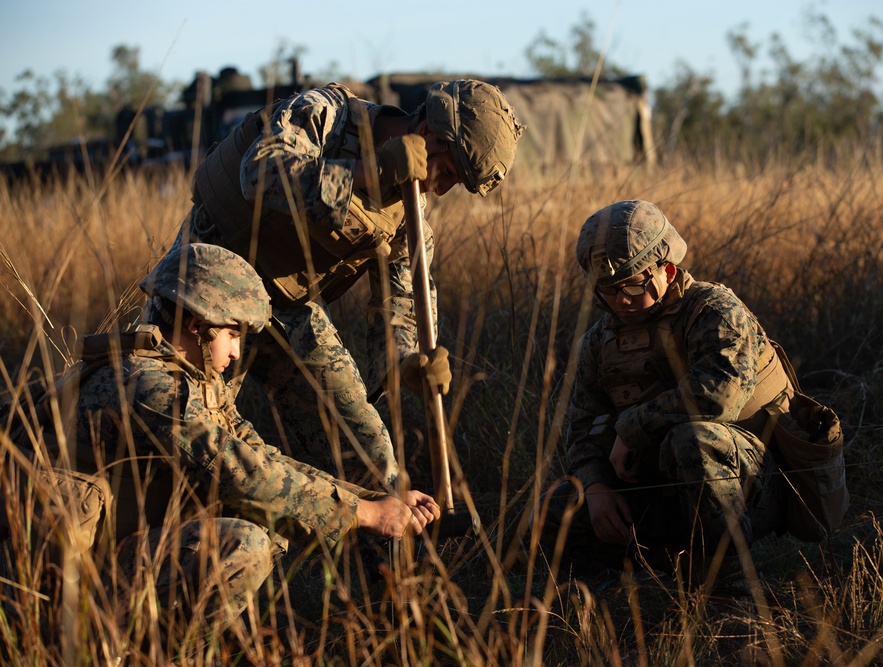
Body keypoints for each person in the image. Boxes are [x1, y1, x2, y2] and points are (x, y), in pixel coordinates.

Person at [11, 243, 441, 630]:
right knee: (244, 543)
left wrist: (371, 497)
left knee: (263, 523)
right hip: (67, 582)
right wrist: (365, 514)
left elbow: (263, 460)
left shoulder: (192, 383)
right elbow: (244, 476)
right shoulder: (148, 387)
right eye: (233, 334)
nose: (237, 352)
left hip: (114, 553)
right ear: (199, 325)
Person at [171, 78, 524, 490]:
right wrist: (367, 172)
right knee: (188, 442)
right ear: (427, 133)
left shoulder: (408, 220)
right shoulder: (327, 114)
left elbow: (400, 315)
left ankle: (379, 545)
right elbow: (260, 171)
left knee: (373, 462)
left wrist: (407, 363)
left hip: (288, 307)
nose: (440, 190)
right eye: (446, 172)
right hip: (206, 288)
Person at [535, 200, 795, 595]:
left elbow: (720, 394)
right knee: (552, 506)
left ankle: (732, 582)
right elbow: (584, 426)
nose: (619, 300)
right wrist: (596, 488)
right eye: (607, 290)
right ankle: (636, 579)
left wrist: (633, 427)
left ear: (666, 270)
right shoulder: (598, 343)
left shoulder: (714, 310)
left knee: (692, 441)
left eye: (632, 286)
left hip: (748, 488)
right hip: (655, 493)